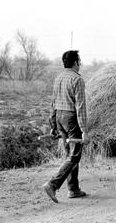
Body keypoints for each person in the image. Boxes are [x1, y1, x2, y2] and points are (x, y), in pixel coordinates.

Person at [43, 50, 90, 203]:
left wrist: (53, 124)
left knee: (69, 155)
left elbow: (53, 102)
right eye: (79, 61)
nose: (80, 64)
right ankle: (52, 184)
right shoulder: (77, 80)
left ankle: (73, 189)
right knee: (75, 155)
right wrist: (84, 131)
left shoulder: (58, 78)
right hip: (71, 119)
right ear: (75, 63)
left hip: (59, 118)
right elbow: (80, 107)